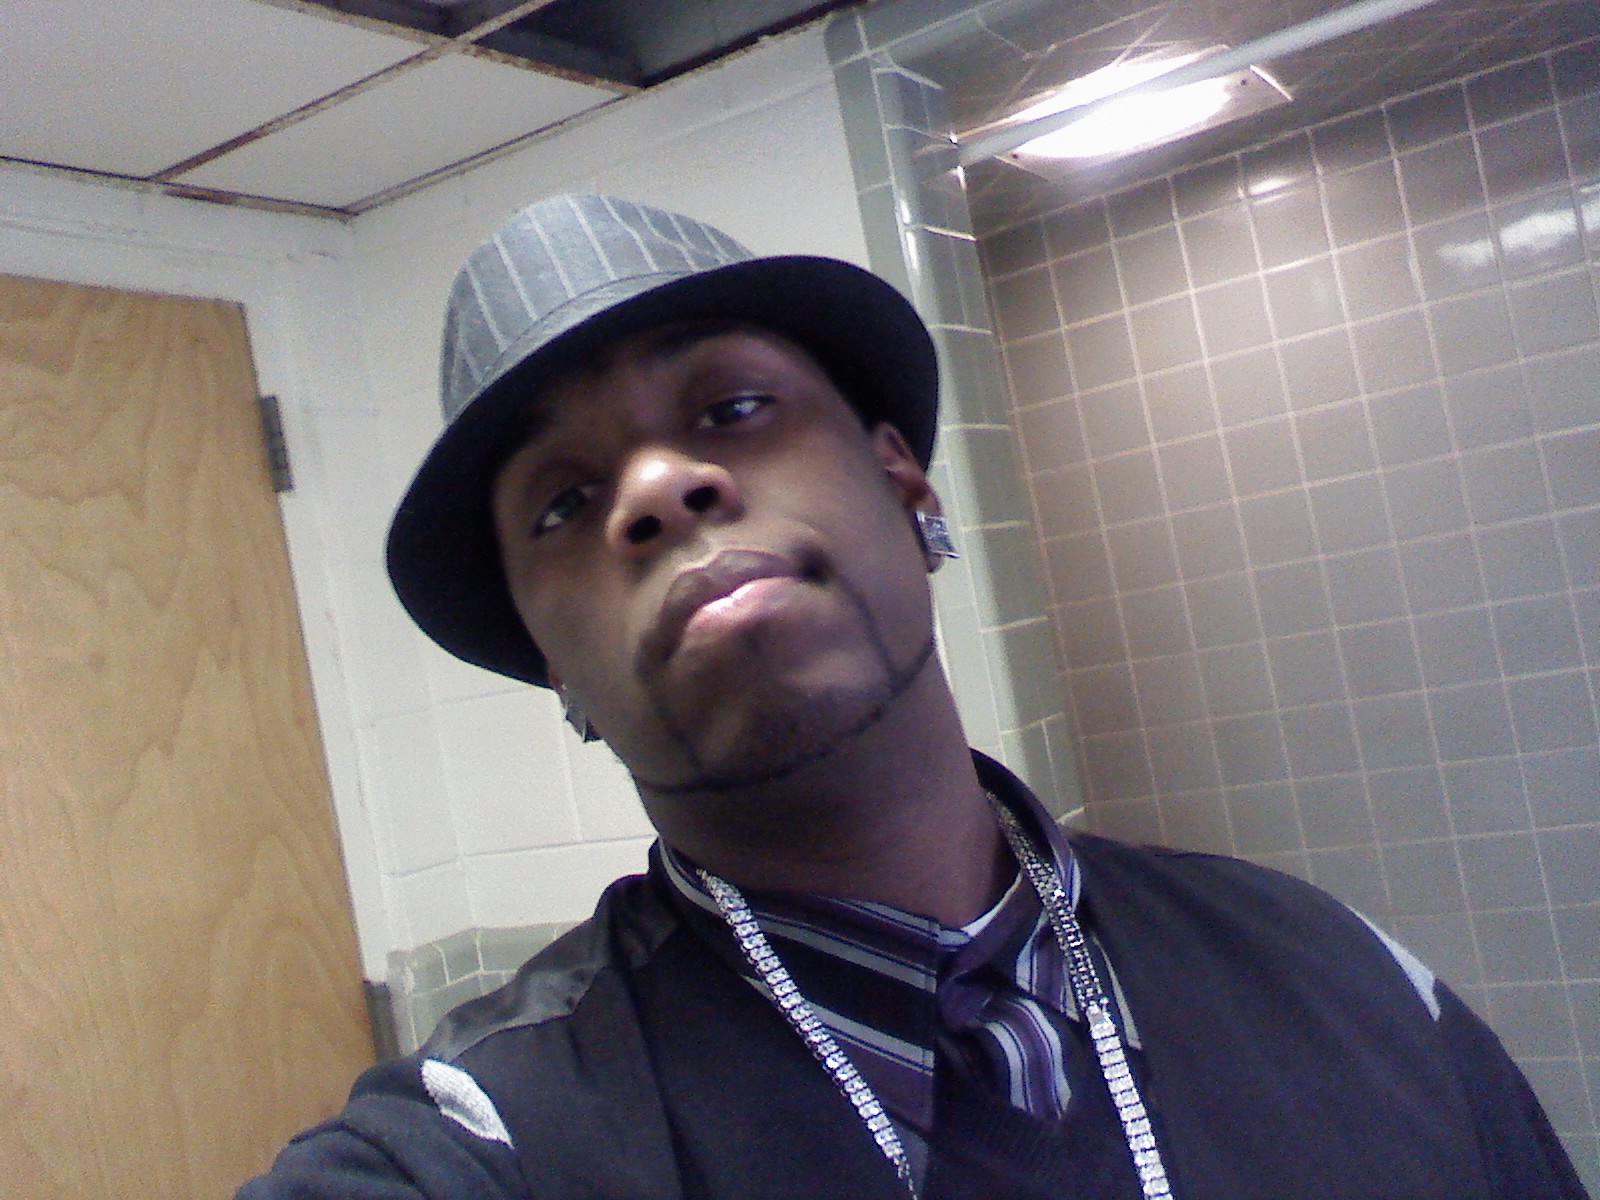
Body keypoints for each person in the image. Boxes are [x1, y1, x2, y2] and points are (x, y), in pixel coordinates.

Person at [240, 194, 1587, 1200]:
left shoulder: (1339, 979)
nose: (656, 489)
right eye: (565, 503)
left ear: (905, 484)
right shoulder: (484, 1145)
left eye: (733, 409)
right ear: (559, 671)